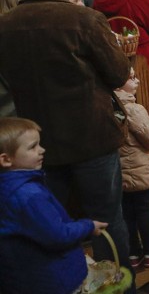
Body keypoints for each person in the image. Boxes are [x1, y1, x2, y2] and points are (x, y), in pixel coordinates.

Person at [0, 0, 149, 294]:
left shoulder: (5, 25)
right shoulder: (84, 19)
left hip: (35, 146)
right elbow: (117, 73)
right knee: (107, 220)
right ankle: (120, 291)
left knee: (52, 224)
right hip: (92, 138)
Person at [0, 117, 109, 294]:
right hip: (51, 279)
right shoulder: (28, 195)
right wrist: (88, 226)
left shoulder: (10, 186)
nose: (42, 150)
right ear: (6, 159)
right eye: (32, 147)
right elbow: (57, 235)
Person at [116, 69, 149, 270]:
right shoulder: (133, 108)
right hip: (139, 169)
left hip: (120, 170)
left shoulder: (108, 104)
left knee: (127, 213)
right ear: (118, 83)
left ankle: (133, 253)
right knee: (143, 211)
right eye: (131, 77)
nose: (137, 80)